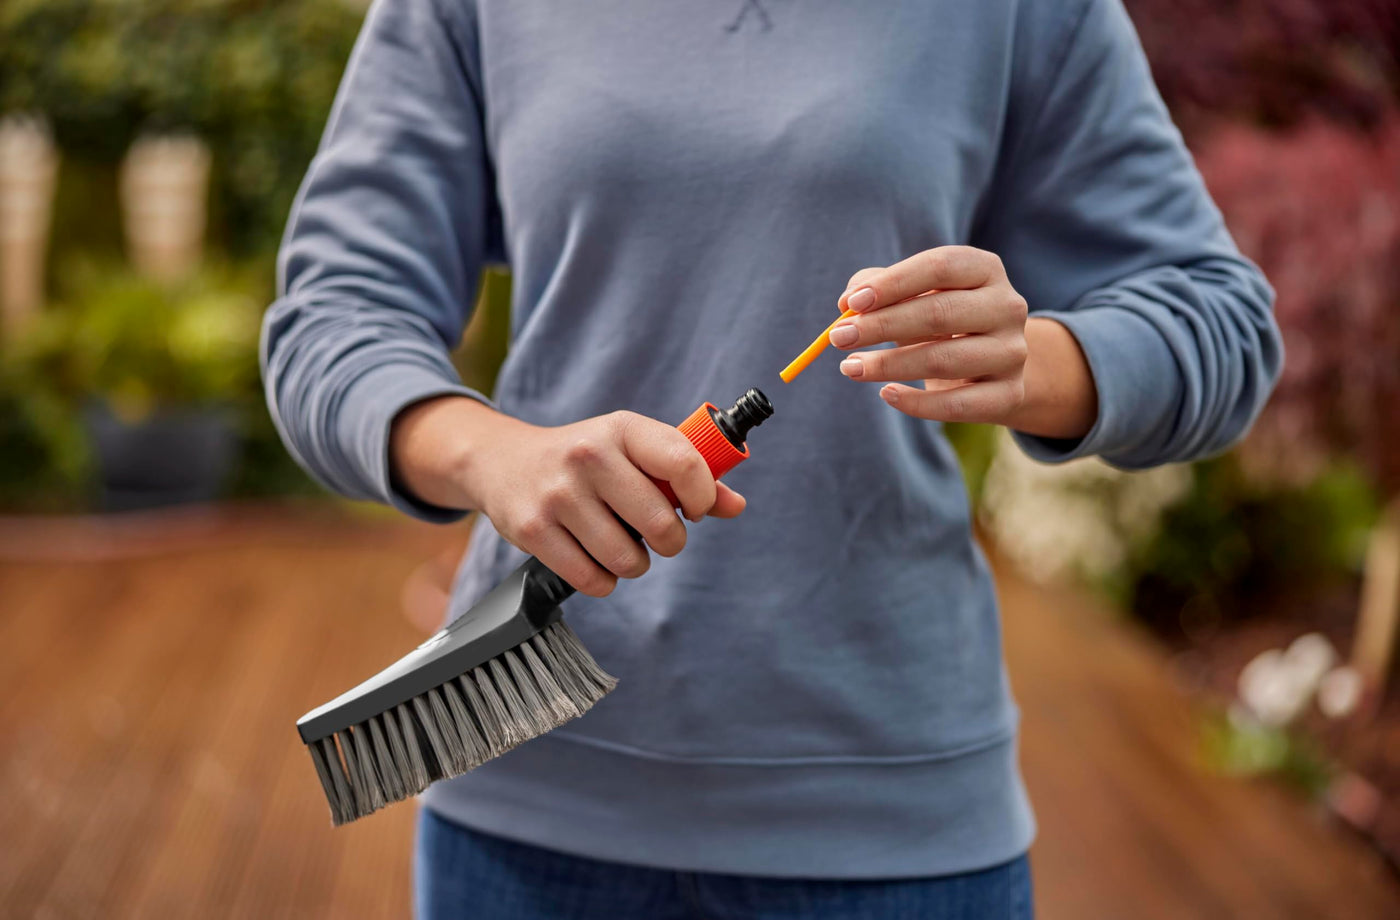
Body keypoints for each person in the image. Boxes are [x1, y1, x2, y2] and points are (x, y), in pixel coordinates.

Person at [261, 0, 1282, 916]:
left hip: (893, 838)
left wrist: (1033, 361)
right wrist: (490, 455)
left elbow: (1220, 322)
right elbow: (330, 315)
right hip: (525, 815)